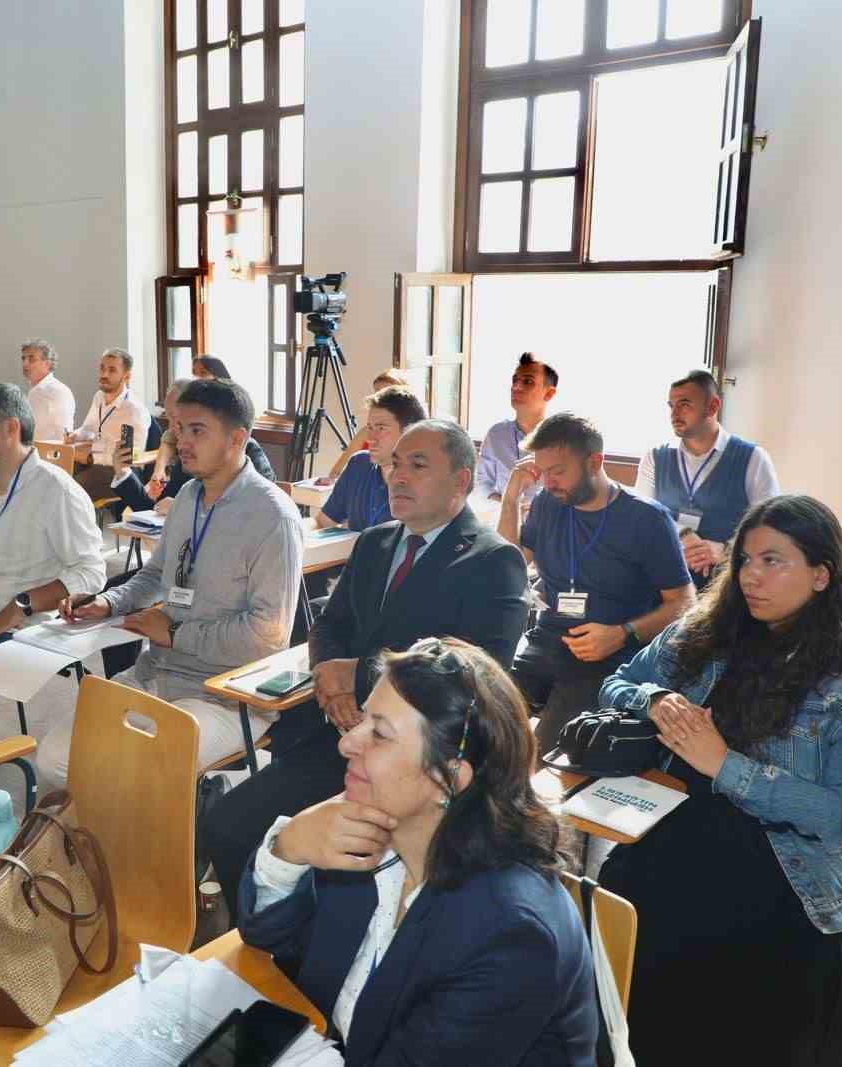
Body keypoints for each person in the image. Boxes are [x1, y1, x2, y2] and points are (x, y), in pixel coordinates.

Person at [596, 495, 842, 1065]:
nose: (750, 577)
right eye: (744, 560)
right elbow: (617, 684)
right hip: (679, 832)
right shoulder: (706, 630)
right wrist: (658, 698)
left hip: (793, 868)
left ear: (821, 576)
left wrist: (723, 765)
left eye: (773, 561)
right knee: (620, 904)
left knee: (735, 963)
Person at [201, 419, 529, 910]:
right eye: (395, 463)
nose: (397, 476)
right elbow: (329, 624)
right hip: (332, 733)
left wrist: (356, 678)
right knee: (226, 828)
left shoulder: (492, 560)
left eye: (418, 465)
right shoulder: (376, 542)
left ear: (461, 480)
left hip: (412, 758)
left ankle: (304, 951)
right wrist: (331, 678)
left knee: (331, 876)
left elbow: (475, 677)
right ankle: (263, 941)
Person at [237, 638, 596, 1065]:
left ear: (448, 776)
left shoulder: (511, 934)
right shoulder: (378, 827)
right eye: (362, 719)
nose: (347, 743)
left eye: (380, 733)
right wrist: (289, 849)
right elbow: (271, 941)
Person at [56, 379, 300, 785]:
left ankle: (159, 835)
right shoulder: (188, 495)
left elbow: (267, 637)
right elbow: (157, 574)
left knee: (130, 769)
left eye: (197, 430)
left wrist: (174, 633)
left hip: (227, 695)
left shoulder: (273, 516)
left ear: (237, 439)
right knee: (58, 758)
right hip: (158, 672)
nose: (182, 441)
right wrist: (109, 601)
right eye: (179, 428)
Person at [505, 413, 694, 755]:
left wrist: (623, 632)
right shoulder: (549, 504)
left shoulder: (647, 519)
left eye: (558, 471)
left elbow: (683, 602)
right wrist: (511, 498)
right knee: (480, 725)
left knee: (544, 757)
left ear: (595, 462)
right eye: (543, 471)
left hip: (607, 655)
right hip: (545, 642)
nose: (547, 483)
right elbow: (510, 565)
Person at [0, 384, 104, 653]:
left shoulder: (56, 490)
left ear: (11, 428)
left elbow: (91, 572)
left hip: (13, 627)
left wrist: (21, 606)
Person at [634, 369, 780, 587]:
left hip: (730, 583)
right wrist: (683, 536)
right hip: (664, 583)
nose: (674, 414)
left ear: (713, 406)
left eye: (684, 404)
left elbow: (771, 525)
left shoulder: (753, 458)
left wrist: (725, 550)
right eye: (671, 406)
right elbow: (642, 518)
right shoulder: (655, 457)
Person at [110, 378, 275, 515]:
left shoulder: (248, 453)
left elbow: (261, 509)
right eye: (175, 421)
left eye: (195, 429)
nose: (176, 430)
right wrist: (123, 472)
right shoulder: (188, 463)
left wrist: (187, 509)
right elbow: (154, 510)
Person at [315, 386, 427, 531]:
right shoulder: (358, 465)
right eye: (370, 428)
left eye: (381, 428)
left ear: (409, 432)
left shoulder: (426, 484)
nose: (370, 439)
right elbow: (322, 522)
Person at [67, 347, 152, 502]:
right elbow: (89, 429)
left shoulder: (134, 410)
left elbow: (132, 457)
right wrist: (75, 435)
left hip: (120, 471)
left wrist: (92, 457)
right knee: (56, 475)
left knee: (70, 491)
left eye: (112, 370)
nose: (104, 374)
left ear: (127, 376)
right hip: (94, 461)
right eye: (102, 368)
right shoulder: (99, 396)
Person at [475, 353, 558, 501]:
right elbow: (482, 483)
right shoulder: (497, 434)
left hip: (549, 522)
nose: (516, 387)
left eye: (528, 381)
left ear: (549, 394)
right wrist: (504, 503)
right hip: (503, 517)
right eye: (515, 380)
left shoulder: (563, 439)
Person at [323, 368, 409, 481]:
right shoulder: (364, 433)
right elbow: (337, 471)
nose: (379, 400)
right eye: (377, 393)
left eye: (386, 395)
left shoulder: (411, 435)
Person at [20, 338, 76, 442]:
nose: (25, 364)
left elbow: (64, 437)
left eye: (31, 359)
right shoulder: (34, 391)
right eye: (23, 359)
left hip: (48, 456)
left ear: (47, 363)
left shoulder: (58, 392)